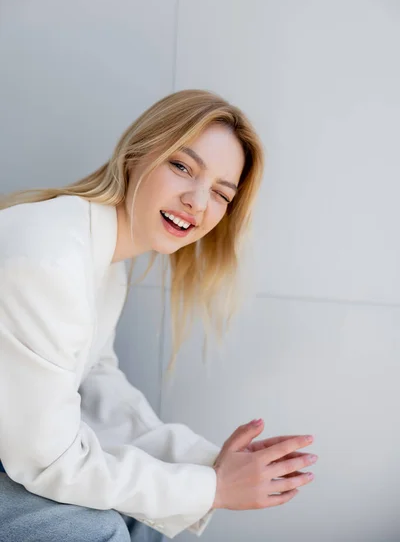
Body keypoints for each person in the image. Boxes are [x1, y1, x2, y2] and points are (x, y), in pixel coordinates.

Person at [0, 89, 317, 541]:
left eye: (221, 193)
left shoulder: (103, 262)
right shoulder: (52, 259)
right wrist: (213, 487)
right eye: (183, 167)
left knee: (151, 523)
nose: (197, 201)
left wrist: (212, 466)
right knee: (98, 530)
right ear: (137, 153)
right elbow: (47, 460)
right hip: (17, 450)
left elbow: (98, 389)